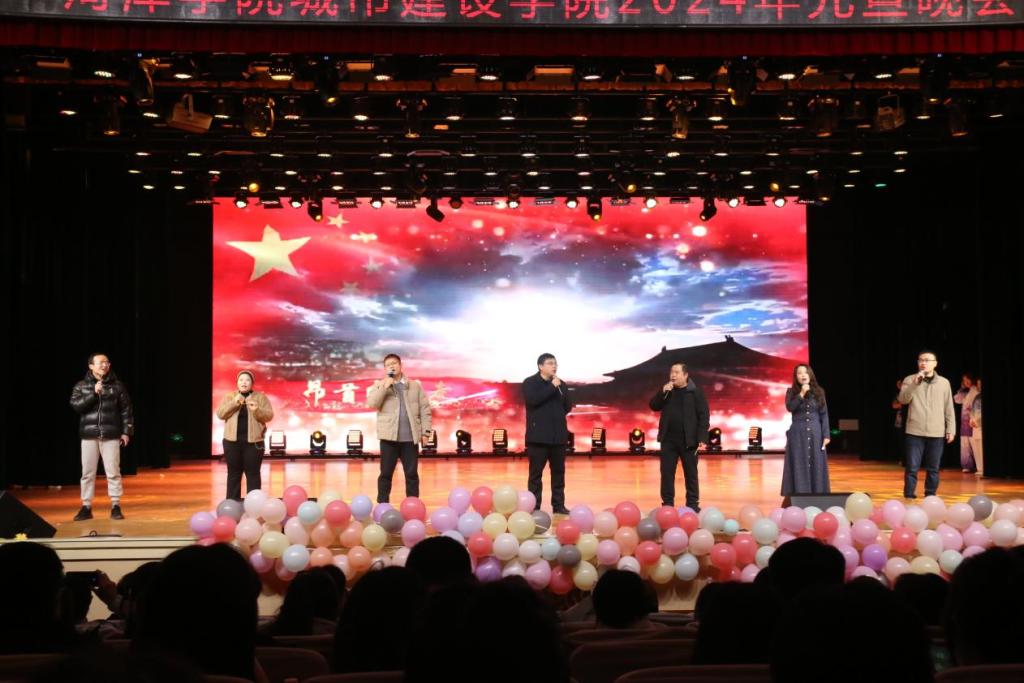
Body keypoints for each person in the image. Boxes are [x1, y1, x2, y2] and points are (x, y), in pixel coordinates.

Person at [69, 353, 134, 521]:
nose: (104, 365)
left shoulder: (117, 386)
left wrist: (126, 431)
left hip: (111, 434)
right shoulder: (81, 386)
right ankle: (86, 506)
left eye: (107, 362)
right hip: (89, 435)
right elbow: (76, 406)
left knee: (113, 472)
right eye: (100, 362)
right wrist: (93, 393)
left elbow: (126, 410)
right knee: (87, 473)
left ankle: (115, 505)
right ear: (91, 366)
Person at [367, 354, 432, 504]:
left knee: (411, 474)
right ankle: (383, 506)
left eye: (394, 363)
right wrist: (385, 387)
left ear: (400, 365)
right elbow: (372, 403)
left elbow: (425, 409)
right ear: (385, 369)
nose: (392, 366)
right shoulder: (380, 385)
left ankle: (413, 505)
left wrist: (426, 432)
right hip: (389, 439)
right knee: (385, 474)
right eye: (388, 364)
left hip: (410, 439)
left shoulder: (414, 386)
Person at [649, 362, 709, 511]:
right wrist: (662, 392)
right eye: (671, 372)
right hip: (668, 440)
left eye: (676, 372)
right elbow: (654, 406)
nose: (673, 375)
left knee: (691, 474)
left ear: (685, 375)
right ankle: (667, 505)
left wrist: (702, 437)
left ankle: (692, 505)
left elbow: (704, 416)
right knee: (667, 474)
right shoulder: (667, 391)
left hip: (689, 441)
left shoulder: (695, 393)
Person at [898, 350, 955, 499]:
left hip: (936, 432)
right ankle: (909, 495)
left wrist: (951, 429)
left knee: (933, 468)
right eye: (921, 360)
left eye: (927, 360)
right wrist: (915, 384)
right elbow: (903, 400)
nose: (923, 363)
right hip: (914, 431)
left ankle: (930, 495)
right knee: (912, 467)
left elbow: (949, 408)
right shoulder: (910, 379)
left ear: (935, 364)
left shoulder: (944, 383)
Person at [522, 353, 572, 515]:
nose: (554, 366)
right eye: (550, 363)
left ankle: (558, 506)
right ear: (540, 366)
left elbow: (567, 406)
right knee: (535, 476)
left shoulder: (561, 384)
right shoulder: (530, 383)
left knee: (559, 474)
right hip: (538, 438)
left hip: (558, 438)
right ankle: (534, 506)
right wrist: (551, 387)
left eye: (555, 363)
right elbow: (533, 400)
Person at [216, 370, 274, 501]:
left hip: (254, 443)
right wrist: (234, 402)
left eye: (247, 380)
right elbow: (220, 414)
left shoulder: (260, 397)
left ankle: (254, 505)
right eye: (241, 380)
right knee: (233, 474)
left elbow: (269, 415)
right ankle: (232, 504)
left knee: (253, 474)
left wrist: (257, 409)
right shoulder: (230, 396)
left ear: (252, 383)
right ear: (237, 383)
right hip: (232, 443)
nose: (244, 382)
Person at [781, 364, 831, 495]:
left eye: (805, 372)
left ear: (810, 375)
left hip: (816, 433)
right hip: (798, 433)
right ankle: (800, 494)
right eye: (799, 373)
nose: (803, 375)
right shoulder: (791, 392)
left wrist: (826, 434)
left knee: (817, 462)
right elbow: (790, 407)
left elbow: (824, 414)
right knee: (799, 463)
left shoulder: (819, 392)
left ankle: (818, 494)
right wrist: (801, 394)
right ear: (796, 377)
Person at [953, 373, 979, 473]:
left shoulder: (976, 390)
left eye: (968, 379)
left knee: (975, 445)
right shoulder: (966, 392)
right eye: (964, 380)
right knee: (965, 444)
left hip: (973, 421)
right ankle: (967, 465)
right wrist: (962, 388)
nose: (966, 382)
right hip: (965, 422)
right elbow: (956, 399)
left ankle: (979, 466)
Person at [969, 377, 984, 477]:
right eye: (978, 384)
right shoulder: (977, 396)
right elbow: (972, 410)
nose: (979, 386)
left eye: (980, 384)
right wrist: (971, 419)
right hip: (975, 425)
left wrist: (977, 421)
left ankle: (984, 468)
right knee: (976, 447)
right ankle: (979, 468)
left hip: (980, 425)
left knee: (981, 447)